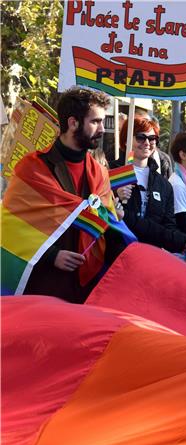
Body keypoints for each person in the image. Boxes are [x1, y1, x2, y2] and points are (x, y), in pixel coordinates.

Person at [2, 87, 131, 302]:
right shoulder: (31, 168)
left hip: (87, 287)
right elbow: (10, 228)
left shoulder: (99, 172)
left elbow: (107, 225)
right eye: (95, 122)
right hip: (43, 286)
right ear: (73, 123)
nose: (102, 129)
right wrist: (52, 256)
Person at [110, 117, 186, 253]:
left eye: (152, 138)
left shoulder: (163, 184)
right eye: (140, 137)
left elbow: (168, 226)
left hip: (150, 257)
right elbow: (99, 212)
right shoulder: (110, 173)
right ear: (126, 141)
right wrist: (114, 195)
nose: (147, 143)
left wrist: (184, 242)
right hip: (118, 257)